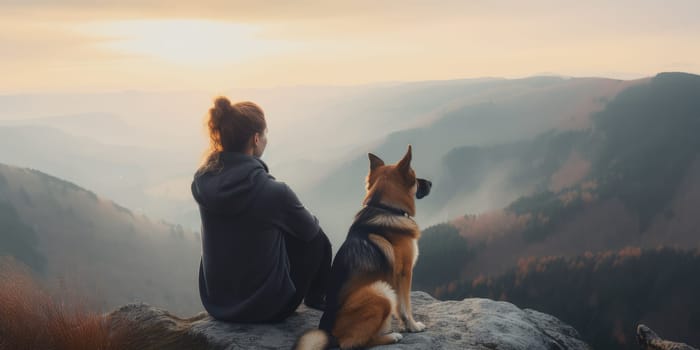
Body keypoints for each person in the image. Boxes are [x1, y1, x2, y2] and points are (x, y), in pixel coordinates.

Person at [191, 96, 331, 323]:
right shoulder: (274, 192)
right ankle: (317, 298)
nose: (266, 139)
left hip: (217, 304)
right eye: (265, 135)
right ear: (256, 139)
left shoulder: (202, 180)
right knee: (317, 240)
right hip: (267, 309)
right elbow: (313, 237)